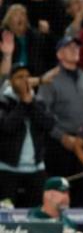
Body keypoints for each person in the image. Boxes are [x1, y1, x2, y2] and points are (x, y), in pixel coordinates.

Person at [38, 36, 83, 186]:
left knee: (81, 188)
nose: (75, 50)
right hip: (58, 145)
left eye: (77, 47)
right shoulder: (50, 79)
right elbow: (42, 114)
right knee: (60, 187)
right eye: (70, 47)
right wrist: (61, 137)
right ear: (59, 54)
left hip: (81, 142)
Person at [0, 63, 56, 207]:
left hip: (36, 169)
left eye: (27, 77)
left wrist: (30, 103)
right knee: (6, 214)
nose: (25, 80)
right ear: (11, 81)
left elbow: (48, 124)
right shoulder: (3, 102)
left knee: (37, 212)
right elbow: (7, 127)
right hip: (7, 169)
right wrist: (23, 104)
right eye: (20, 77)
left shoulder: (38, 101)